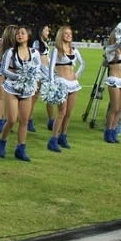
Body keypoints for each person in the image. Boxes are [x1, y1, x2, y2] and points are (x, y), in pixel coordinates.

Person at [0, 26, 37, 161]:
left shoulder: (34, 53)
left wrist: (48, 76)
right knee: (12, 119)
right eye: (18, 33)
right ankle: (2, 141)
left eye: (22, 33)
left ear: (28, 36)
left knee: (24, 121)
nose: (19, 35)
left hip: (27, 90)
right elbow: (3, 70)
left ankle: (20, 149)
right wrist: (19, 77)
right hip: (12, 88)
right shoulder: (10, 52)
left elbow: (39, 69)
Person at [46, 25, 85, 153]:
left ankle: (63, 136)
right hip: (61, 83)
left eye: (70, 33)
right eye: (66, 33)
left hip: (73, 83)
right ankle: (53, 139)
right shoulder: (57, 50)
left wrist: (77, 75)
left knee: (68, 113)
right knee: (61, 113)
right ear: (61, 35)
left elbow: (83, 64)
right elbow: (51, 68)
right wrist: (52, 83)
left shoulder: (74, 49)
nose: (69, 35)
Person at [0, 25, 18, 132]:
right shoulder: (0, 44)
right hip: (0, 72)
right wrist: (3, 65)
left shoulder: (17, 46)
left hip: (10, 74)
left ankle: (7, 121)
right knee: (2, 96)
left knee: (8, 98)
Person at [33, 24, 54, 131]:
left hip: (46, 72)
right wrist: (46, 70)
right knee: (34, 96)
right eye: (46, 30)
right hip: (40, 73)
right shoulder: (37, 43)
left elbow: (46, 58)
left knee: (49, 96)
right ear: (41, 31)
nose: (48, 32)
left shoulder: (45, 43)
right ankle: (28, 119)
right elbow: (37, 59)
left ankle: (51, 120)